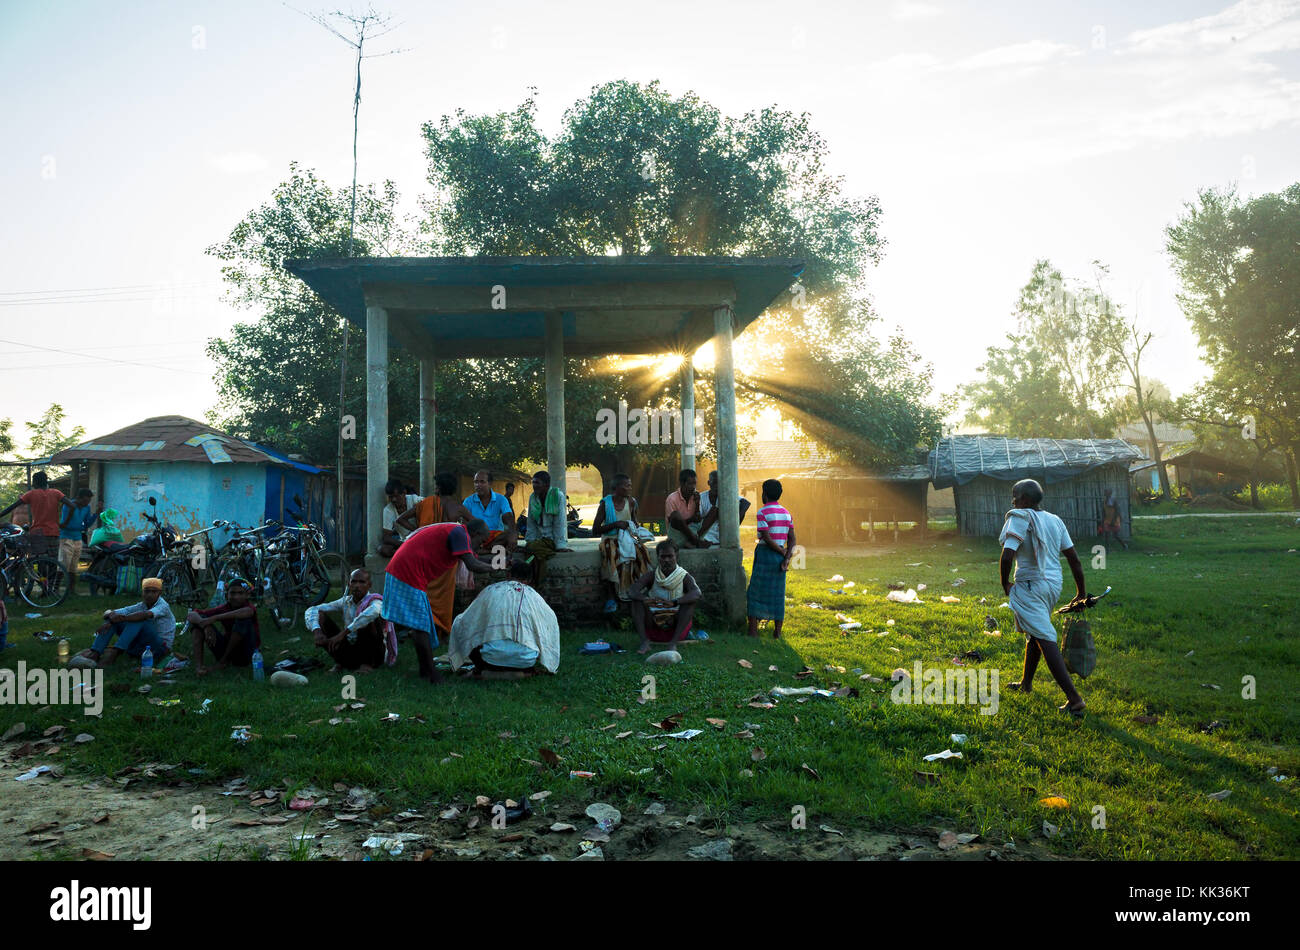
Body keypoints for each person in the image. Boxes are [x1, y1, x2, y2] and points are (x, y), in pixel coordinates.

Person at [1000, 478, 1089, 717]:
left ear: (1026, 500)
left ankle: (1074, 699)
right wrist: (1080, 591)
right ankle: (1026, 684)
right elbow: (1074, 559)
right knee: (1035, 632)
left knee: (1044, 636)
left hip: (1030, 585)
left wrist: (1005, 583)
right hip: (1053, 586)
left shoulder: (1019, 518)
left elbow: (1007, 555)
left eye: (1016, 496)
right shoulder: (1055, 520)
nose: (1013, 501)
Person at [382, 519, 495, 684]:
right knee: (420, 627)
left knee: (421, 625)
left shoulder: (459, 534)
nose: (481, 545)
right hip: (407, 573)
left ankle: (425, 670)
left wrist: (501, 562)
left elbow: (476, 559)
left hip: (407, 571)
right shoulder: (460, 533)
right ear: (475, 534)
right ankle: (431, 674)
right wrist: (496, 568)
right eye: (482, 541)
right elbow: (472, 564)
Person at [448, 558, 560, 678]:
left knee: (459, 622)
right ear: (529, 580)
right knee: (537, 637)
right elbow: (551, 625)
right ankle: (525, 671)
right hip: (525, 660)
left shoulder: (491, 590)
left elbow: (468, 620)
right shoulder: (536, 598)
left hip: (489, 658)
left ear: (508, 575)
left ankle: (481, 670)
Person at [68, 577, 176, 669]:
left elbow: (145, 615)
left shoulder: (163, 606)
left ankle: (114, 654)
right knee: (117, 619)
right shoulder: (141, 605)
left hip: (159, 649)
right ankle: (95, 653)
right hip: (140, 648)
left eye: (154, 591)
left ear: (160, 593)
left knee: (137, 619)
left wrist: (121, 618)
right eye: (147, 591)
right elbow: (110, 612)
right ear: (142, 592)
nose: (150, 595)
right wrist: (110, 619)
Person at [305, 568, 394, 672]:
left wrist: (343, 634)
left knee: (368, 619)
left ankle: (367, 664)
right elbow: (312, 609)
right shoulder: (345, 602)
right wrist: (317, 631)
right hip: (351, 648)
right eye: (354, 582)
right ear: (349, 584)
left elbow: (374, 611)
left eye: (362, 582)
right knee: (320, 616)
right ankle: (341, 661)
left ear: (369, 585)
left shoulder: (375, 601)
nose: (357, 585)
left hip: (374, 652)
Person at [591, 473, 651, 612]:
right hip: (610, 539)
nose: (630, 488)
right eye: (627, 485)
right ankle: (612, 597)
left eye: (630, 485)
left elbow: (634, 522)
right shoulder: (606, 504)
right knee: (612, 554)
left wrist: (637, 530)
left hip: (627, 538)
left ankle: (637, 591)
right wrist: (615, 524)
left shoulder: (631, 502)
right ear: (617, 488)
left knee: (642, 553)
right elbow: (595, 530)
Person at [629, 539, 701, 654]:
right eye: (663, 557)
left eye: (670, 556)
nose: (666, 560)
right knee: (636, 601)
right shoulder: (651, 576)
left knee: (690, 603)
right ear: (658, 557)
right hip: (653, 618)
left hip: (675, 620)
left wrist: (674, 602)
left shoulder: (684, 576)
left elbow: (697, 593)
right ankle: (644, 642)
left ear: (676, 556)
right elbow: (632, 590)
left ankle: (673, 643)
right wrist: (646, 599)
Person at [747, 479, 795, 639]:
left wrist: (781, 552)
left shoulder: (762, 512)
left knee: (755, 592)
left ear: (764, 494)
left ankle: (753, 632)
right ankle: (777, 632)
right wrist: (786, 557)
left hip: (765, 554)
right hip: (779, 558)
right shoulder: (787, 513)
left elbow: (766, 538)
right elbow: (792, 539)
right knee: (777, 593)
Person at [187, 577, 261, 675]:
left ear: (247, 595)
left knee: (243, 621)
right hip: (227, 649)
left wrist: (215, 618)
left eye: (240, 593)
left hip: (247, 653)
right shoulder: (225, 608)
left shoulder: (248, 607)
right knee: (197, 623)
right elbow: (191, 614)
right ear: (226, 595)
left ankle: (223, 661)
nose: (236, 597)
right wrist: (205, 625)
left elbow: (248, 612)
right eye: (233, 593)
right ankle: (199, 667)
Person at [0, 471, 68, 557]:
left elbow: (12, 507)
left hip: (38, 533)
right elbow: (72, 505)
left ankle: (40, 569)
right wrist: (65, 523)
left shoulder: (31, 494)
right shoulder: (56, 493)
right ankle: (52, 570)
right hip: (53, 532)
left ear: (35, 482)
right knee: (53, 560)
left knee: (39, 559)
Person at [396, 472, 471, 536]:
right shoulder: (458, 507)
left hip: (426, 544)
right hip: (448, 547)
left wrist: (418, 531)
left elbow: (400, 519)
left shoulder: (426, 502)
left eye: (436, 485)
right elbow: (477, 523)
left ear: (438, 488)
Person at [463, 470, 517, 555]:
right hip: (477, 538)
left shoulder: (501, 499)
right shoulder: (468, 501)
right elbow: (465, 525)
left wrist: (513, 535)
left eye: (482, 482)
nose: (478, 485)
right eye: (476, 482)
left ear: (490, 483)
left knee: (508, 534)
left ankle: (484, 550)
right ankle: (487, 549)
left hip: (496, 538)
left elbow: (509, 518)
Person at [58, 488, 100, 595]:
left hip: (78, 537)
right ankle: (55, 588)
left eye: (88, 501)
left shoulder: (86, 508)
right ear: (78, 498)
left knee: (73, 566)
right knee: (63, 564)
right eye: (85, 501)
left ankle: (72, 590)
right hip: (66, 537)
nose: (86, 503)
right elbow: (65, 521)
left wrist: (96, 514)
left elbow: (87, 524)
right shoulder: (68, 505)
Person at [698, 470, 752, 545]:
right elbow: (700, 520)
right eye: (714, 482)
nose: (717, 486)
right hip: (707, 535)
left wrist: (734, 522)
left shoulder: (726, 495)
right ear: (709, 483)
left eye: (719, 483)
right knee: (714, 511)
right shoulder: (701, 498)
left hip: (723, 534)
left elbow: (745, 503)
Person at [379, 480, 422, 558]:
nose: (394, 500)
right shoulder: (388, 510)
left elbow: (431, 505)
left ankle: (410, 553)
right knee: (384, 549)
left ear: (404, 493)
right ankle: (410, 553)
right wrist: (404, 544)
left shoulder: (415, 500)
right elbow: (386, 537)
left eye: (396, 496)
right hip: (405, 541)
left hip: (421, 538)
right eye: (391, 497)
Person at [665, 469, 708, 548]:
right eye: (690, 484)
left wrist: (697, 503)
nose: (693, 487)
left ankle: (691, 541)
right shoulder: (672, 499)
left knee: (713, 511)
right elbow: (674, 523)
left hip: (693, 531)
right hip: (677, 534)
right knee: (675, 515)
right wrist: (691, 519)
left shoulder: (696, 496)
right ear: (682, 483)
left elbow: (697, 519)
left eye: (694, 483)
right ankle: (695, 541)